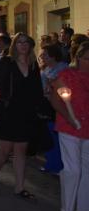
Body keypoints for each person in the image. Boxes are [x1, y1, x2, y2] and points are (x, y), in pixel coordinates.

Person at [0, 33, 44, 199]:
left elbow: (37, 90)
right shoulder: (7, 62)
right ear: (14, 45)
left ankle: (19, 187)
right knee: (4, 150)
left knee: (21, 150)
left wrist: (39, 108)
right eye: (19, 42)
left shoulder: (34, 65)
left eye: (26, 42)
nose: (23, 45)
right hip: (8, 110)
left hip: (26, 112)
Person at [49, 41, 89, 211]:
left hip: (87, 129)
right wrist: (69, 118)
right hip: (69, 128)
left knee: (87, 170)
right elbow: (55, 101)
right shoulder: (67, 75)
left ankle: (83, 209)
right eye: (88, 58)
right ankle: (67, 209)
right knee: (73, 170)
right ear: (78, 58)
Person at [39, 43, 68, 174]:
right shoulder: (46, 69)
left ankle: (58, 165)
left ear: (53, 56)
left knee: (56, 137)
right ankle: (51, 163)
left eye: (45, 54)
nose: (42, 56)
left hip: (58, 107)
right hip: (47, 105)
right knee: (49, 135)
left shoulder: (63, 69)